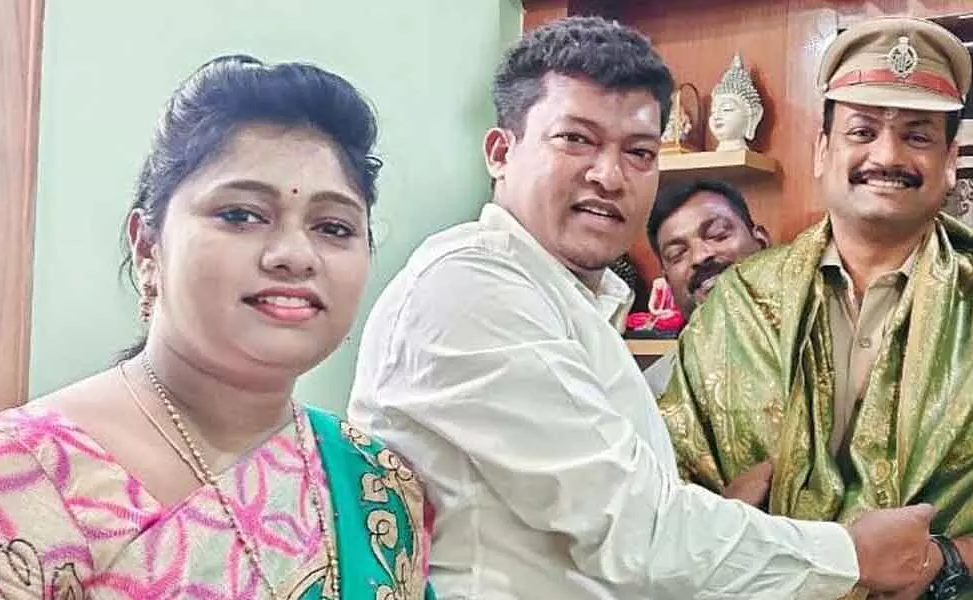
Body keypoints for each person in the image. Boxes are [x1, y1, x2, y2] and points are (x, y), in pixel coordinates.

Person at [348, 16, 940, 600]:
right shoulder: (470, 288)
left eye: (638, 151)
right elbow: (638, 532)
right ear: (501, 151)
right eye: (575, 139)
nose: (609, 175)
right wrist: (854, 555)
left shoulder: (575, 302)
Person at [0, 55, 434, 599]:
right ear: (147, 246)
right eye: (241, 215)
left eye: (333, 227)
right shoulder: (8, 478)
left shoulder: (375, 484)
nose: (294, 255)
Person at [658, 16, 973, 599]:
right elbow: (665, 498)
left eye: (918, 135)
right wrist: (724, 526)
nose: (887, 153)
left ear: (950, 158)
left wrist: (944, 559)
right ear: (823, 150)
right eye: (862, 131)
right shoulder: (738, 306)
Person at [642, 178, 770, 397]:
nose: (700, 256)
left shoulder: (822, 342)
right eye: (677, 254)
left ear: (761, 241)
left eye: (718, 235)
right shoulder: (658, 392)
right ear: (668, 282)